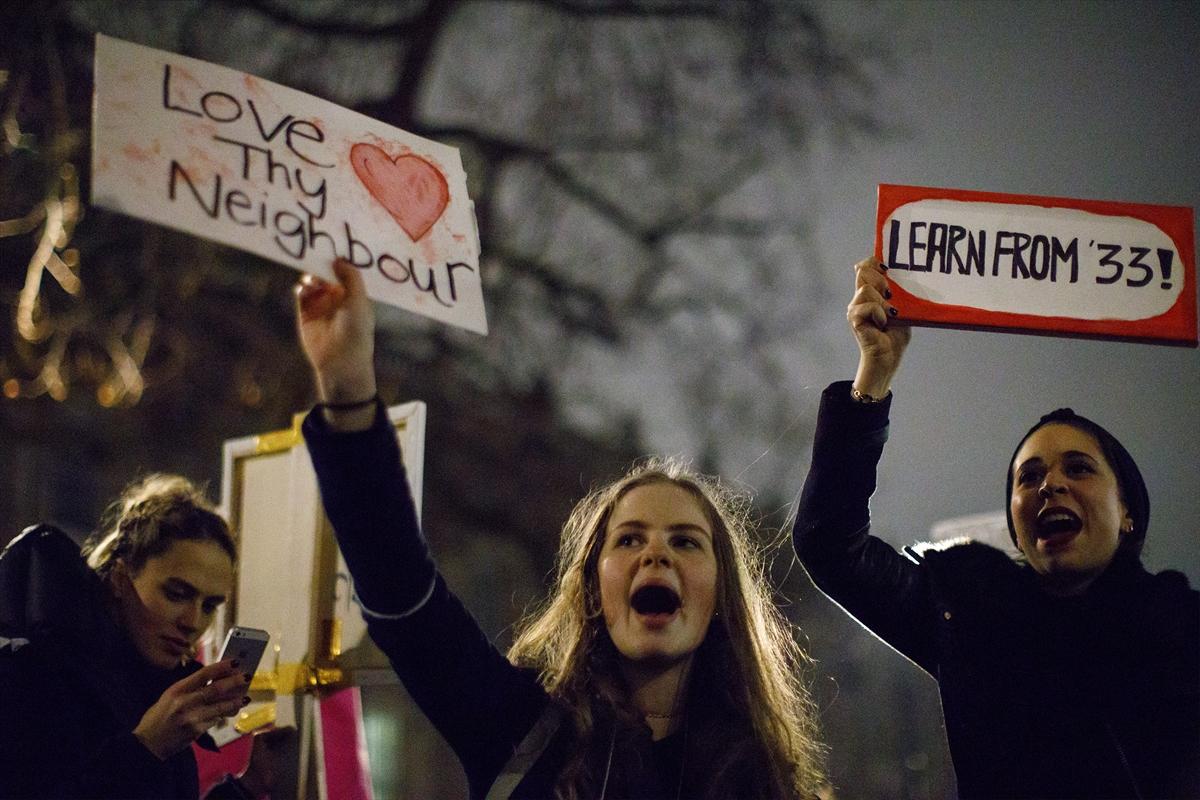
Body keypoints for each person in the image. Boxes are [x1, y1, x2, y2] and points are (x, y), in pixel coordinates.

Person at [295, 259, 827, 799]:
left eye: (685, 541)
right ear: (594, 588)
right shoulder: (520, 731)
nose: (655, 555)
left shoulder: (763, 779)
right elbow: (403, 595)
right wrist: (348, 391)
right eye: (629, 539)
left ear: (721, 596)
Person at [794, 256, 1200, 799]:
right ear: (1014, 526)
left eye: (1077, 467)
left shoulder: (1183, 629)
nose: (1049, 485)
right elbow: (830, 546)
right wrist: (875, 372)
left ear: (1128, 512)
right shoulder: (967, 613)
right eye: (1028, 477)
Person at [0, 475, 251, 800]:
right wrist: (147, 747)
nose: (193, 622)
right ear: (120, 579)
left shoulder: (153, 687)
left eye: (209, 606)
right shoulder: (31, 673)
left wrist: (247, 786)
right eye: (176, 594)